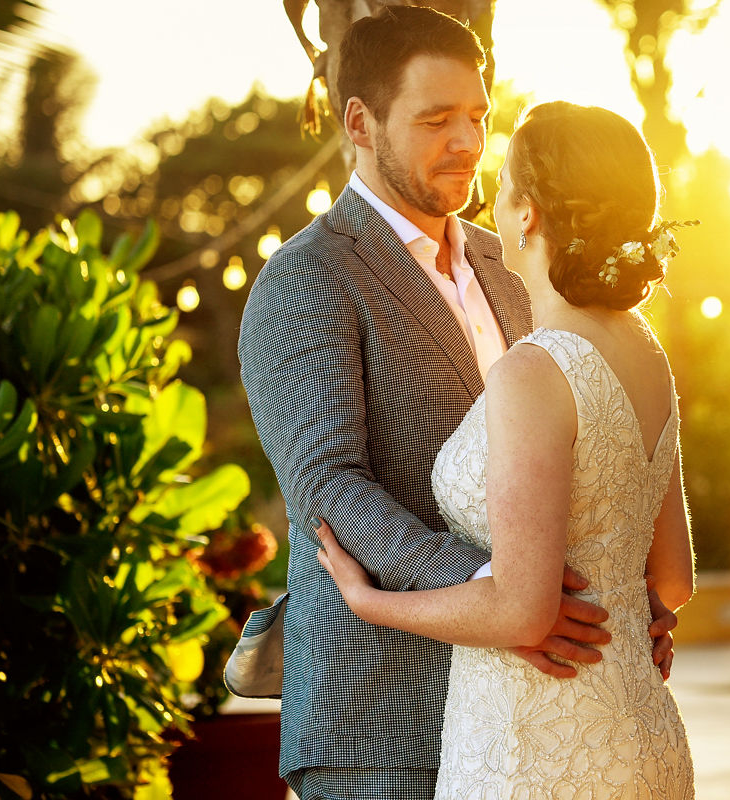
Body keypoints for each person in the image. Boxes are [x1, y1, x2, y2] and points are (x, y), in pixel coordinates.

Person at [237, 8, 677, 799]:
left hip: (535, 718)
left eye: (478, 116)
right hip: (383, 720)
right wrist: (509, 590)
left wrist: (617, 587)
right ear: (361, 123)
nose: (469, 142)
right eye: (436, 120)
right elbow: (329, 487)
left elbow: (574, 441)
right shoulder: (307, 278)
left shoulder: (513, 260)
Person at [315, 100, 698, 797]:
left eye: (505, 185)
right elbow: (673, 578)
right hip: (640, 729)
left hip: (538, 749)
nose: (490, 203)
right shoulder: (647, 353)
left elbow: (521, 612)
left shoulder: (534, 372)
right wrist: (629, 607)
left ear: (529, 214)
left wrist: (369, 601)